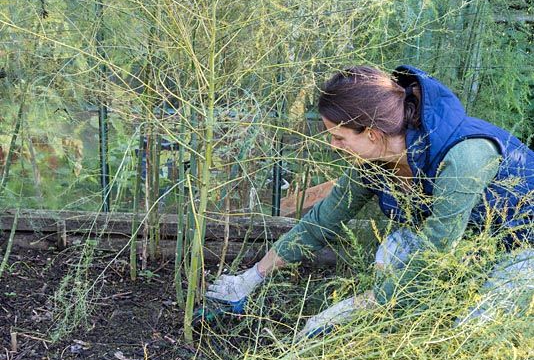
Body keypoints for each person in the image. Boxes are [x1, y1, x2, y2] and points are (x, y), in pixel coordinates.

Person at [203, 64, 534, 336]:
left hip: (523, 249)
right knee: (397, 248)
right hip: (474, 245)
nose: (333, 145)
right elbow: (323, 221)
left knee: (473, 333)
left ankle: (411, 320)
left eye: (338, 136)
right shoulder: (374, 163)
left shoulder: (464, 157)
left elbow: (436, 250)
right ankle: (397, 322)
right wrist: (251, 278)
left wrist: (348, 309)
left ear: (372, 134)